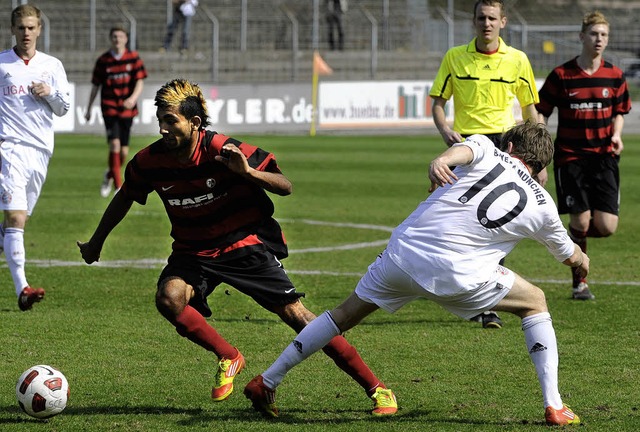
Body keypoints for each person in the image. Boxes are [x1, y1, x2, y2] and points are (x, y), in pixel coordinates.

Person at [77, 79, 397, 416]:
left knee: (300, 318)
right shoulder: (149, 161)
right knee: (169, 298)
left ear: (194, 123)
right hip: (193, 251)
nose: (163, 128)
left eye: (171, 121)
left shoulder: (223, 149)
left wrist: (247, 172)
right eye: (160, 120)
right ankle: (229, 356)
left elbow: (284, 186)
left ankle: (377, 390)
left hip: (242, 245)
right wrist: (97, 242)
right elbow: (125, 196)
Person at [244, 121, 586, 426]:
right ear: (541, 164)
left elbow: (460, 152)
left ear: (509, 146)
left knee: (341, 316)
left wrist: (441, 160)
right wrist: (583, 260)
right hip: (460, 276)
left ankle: (268, 381)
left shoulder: (485, 147)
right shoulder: (543, 205)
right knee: (536, 302)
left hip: (403, 256)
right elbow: (570, 256)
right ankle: (554, 405)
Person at [429, 0, 541, 328]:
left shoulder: (518, 60)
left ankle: (486, 298)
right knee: (465, 219)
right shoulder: (455, 56)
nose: (487, 23)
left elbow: (530, 110)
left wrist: (539, 158)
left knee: (496, 219)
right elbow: (438, 103)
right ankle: (477, 292)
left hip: (507, 146)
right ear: (474, 21)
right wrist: (445, 129)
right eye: (482, 17)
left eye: (493, 18)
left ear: (503, 22)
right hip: (469, 147)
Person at [536, 11, 631, 301]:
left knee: (605, 227)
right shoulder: (562, 75)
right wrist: (542, 144)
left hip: (604, 159)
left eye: (603, 34)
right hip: (571, 157)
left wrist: (617, 135)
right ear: (581, 36)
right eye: (593, 34)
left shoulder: (614, 75)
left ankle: (573, 238)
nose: (598, 39)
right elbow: (541, 110)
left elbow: (619, 111)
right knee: (581, 221)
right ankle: (580, 283)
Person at [0, 5, 70, 311]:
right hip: (9, 148)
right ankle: (22, 289)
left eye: (31, 28)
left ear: (39, 29)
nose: (26, 33)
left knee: (17, 221)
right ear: (12, 29)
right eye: (20, 28)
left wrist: (50, 92)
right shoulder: (2, 64)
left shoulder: (52, 66)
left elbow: (64, 107)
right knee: (15, 217)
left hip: (40, 152)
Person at [85, 25, 148, 198]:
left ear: (126, 39)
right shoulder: (103, 61)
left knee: (124, 152)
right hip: (109, 108)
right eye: (114, 36)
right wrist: (89, 108)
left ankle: (109, 174)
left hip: (127, 110)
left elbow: (140, 81)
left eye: (120, 36)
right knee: (114, 145)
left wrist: (133, 98)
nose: (117, 39)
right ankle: (119, 187)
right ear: (110, 39)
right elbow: (95, 86)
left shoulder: (133, 58)